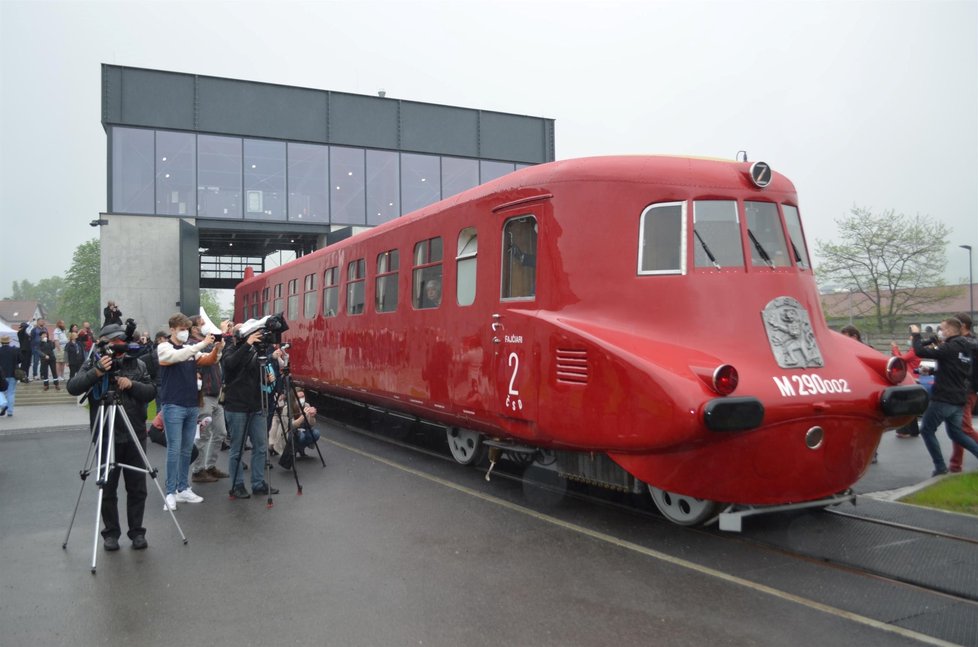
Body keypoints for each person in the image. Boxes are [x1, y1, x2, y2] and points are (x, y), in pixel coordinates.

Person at [66, 323, 156, 551]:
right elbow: (73, 387)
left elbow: (151, 392)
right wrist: (96, 372)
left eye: (121, 342)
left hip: (134, 432)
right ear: (103, 343)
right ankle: (110, 534)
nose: (120, 347)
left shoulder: (138, 363)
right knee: (107, 487)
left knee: (137, 486)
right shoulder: (93, 362)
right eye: (114, 342)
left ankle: (137, 532)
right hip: (106, 434)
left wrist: (132, 384)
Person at [157, 313, 221, 510]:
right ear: (172, 330)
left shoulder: (189, 349)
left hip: (191, 405)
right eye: (182, 329)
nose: (185, 333)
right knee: (174, 449)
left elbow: (208, 360)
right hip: (173, 405)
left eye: (186, 329)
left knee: (186, 449)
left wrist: (218, 348)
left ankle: (183, 488)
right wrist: (201, 345)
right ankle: (170, 492)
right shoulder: (164, 347)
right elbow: (173, 358)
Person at [911, 319, 978, 476]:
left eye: (941, 329)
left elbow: (919, 351)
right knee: (957, 434)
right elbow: (956, 370)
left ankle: (940, 467)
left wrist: (915, 334)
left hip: (943, 398)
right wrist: (933, 372)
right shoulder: (967, 349)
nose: (940, 331)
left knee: (927, 430)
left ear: (949, 331)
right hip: (959, 398)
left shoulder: (949, 347)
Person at [222, 323, 278, 499]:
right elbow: (230, 365)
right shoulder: (230, 350)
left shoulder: (257, 353)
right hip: (237, 407)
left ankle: (258, 483)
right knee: (237, 449)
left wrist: (269, 374)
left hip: (256, 405)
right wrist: (246, 345)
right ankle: (237, 484)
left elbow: (262, 378)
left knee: (261, 447)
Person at [189, 315, 230, 484]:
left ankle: (210, 466)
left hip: (214, 394)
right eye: (202, 323)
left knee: (220, 433)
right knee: (203, 435)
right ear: (194, 328)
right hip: (204, 395)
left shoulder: (205, 343)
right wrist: (221, 336)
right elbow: (208, 357)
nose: (206, 325)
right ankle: (198, 470)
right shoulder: (193, 345)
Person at [948, 313, 978, 473]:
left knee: (963, 428)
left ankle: (955, 464)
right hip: (961, 389)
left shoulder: (969, 343)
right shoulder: (964, 342)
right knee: (956, 427)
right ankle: (955, 464)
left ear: (963, 326)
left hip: (966, 390)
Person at [0, 335, 19, 415]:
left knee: (1, 392)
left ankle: (3, 405)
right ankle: (10, 411)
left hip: (1, 375)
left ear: (1, 342)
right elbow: (20, 359)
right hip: (12, 373)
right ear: (9, 342)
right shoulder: (14, 350)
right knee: (11, 393)